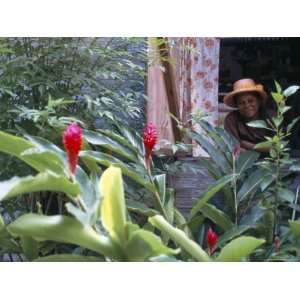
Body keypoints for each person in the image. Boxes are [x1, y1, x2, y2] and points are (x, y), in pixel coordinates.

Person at [224, 78, 275, 154]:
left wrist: (249, 145)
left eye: (251, 101)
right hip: (243, 162)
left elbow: (277, 148)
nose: (247, 105)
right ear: (237, 105)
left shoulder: (272, 116)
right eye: (241, 103)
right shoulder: (231, 119)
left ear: (259, 101)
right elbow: (233, 147)